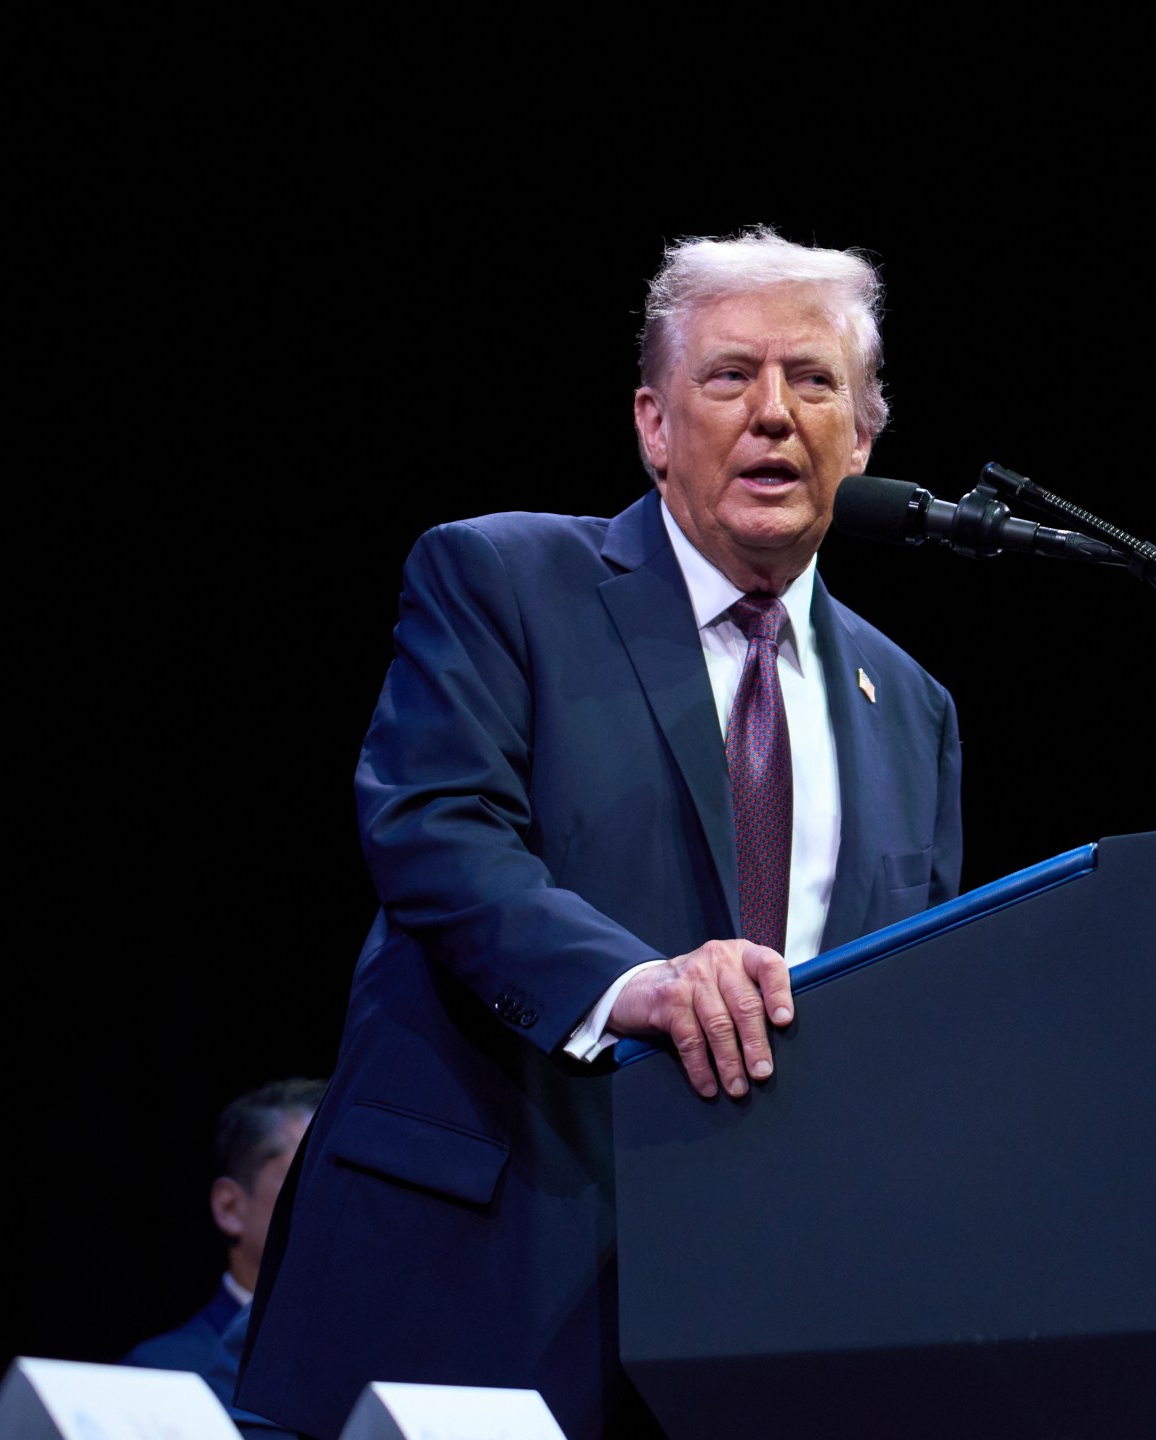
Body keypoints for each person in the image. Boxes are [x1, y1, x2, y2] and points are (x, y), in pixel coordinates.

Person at [235, 228, 964, 1440]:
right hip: (481, 1262)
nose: (774, 413)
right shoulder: (502, 579)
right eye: (729, 377)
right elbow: (436, 830)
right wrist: (634, 983)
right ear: (653, 425)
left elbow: (914, 992)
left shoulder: (915, 708)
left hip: (754, 1315)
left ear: (868, 433)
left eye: (815, 380)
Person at [123, 1079, 324, 1383]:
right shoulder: (160, 1375)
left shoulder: (374, 1367)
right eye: (310, 1179)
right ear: (229, 1207)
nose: (337, 1205)